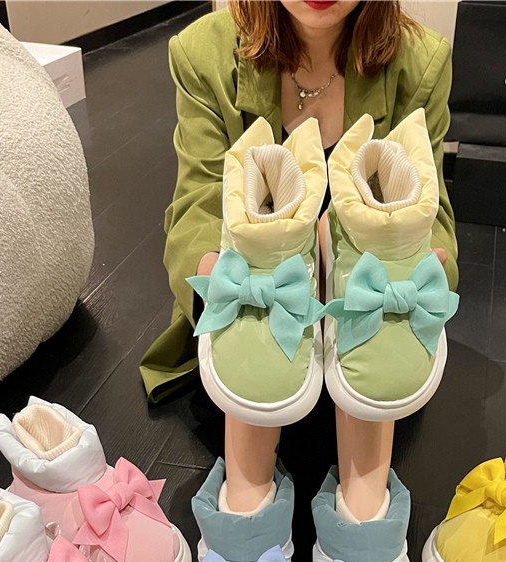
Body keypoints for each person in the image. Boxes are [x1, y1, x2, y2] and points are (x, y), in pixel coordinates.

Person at [139, 0, 458, 523]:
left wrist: (424, 261)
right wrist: (217, 269)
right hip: (267, 297)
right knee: (257, 263)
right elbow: (198, 199)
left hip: (364, 297)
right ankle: (259, 512)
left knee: (374, 256)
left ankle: (356, 515)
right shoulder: (203, 52)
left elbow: (432, 199)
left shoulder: (420, 61)